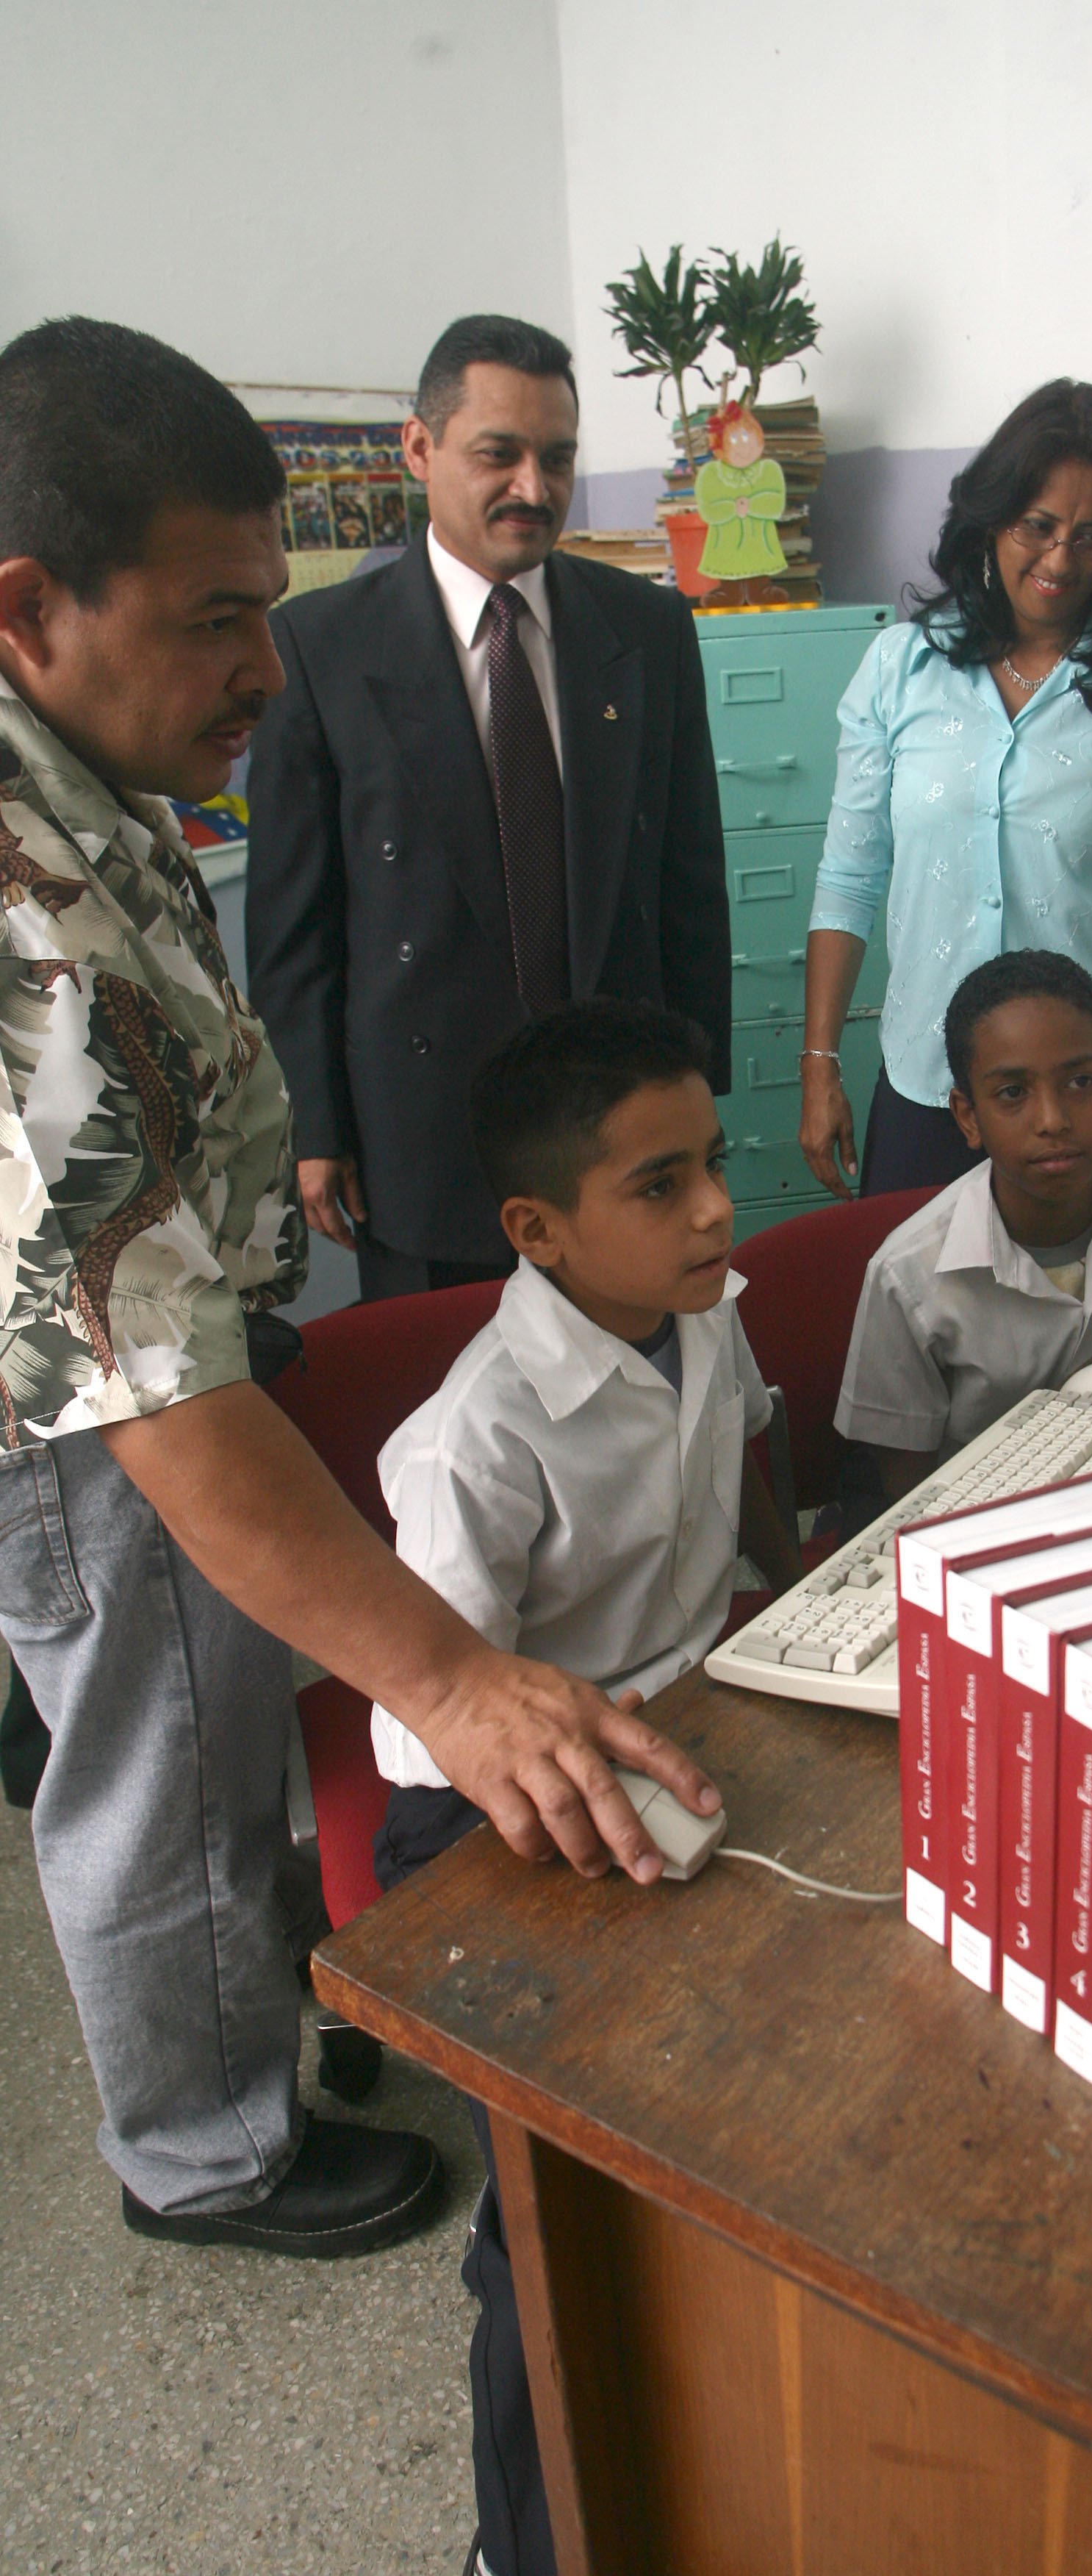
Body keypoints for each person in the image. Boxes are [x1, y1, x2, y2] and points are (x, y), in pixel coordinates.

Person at [0, 315, 720, 2261]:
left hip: (176, 1357)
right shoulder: (19, 903)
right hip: (101, 1426)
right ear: (31, 608)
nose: (263, 665)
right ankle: (206, 2156)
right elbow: (158, 1405)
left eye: (268, 608)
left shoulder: (82, 764)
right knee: (156, 1775)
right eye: (216, 621)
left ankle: (248, 2040)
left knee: (214, 1739)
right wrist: (455, 1682)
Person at [369, 998, 799, 2576]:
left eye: (716, 1163)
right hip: (493, 1815)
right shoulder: (475, 1441)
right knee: (559, 2203)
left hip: (687, 1713)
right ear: (536, 1230)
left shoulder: (704, 1313)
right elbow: (433, 1738)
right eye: (661, 1184)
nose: (717, 1211)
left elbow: (744, 1463)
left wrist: (794, 1596)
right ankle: (522, 2539)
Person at [245, 313, 732, 1301]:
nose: (533, 489)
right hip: (423, 1129)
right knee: (443, 1385)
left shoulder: (646, 628)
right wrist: (315, 1125)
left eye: (557, 458)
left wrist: (701, 1093)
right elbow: (295, 926)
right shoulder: (317, 647)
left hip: (622, 1122)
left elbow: (689, 875)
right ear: (420, 449)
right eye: (498, 455)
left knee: (639, 1376)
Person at [799, 378, 1092, 1199]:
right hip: (931, 1076)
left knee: (1088, 1284)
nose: (1058, 560)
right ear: (991, 519)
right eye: (1037, 527)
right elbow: (849, 879)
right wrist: (818, 1062)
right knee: (910, 1276)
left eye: (1091, 537)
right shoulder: (900, 670)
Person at [836, 951, 1092, 1507]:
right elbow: (908, 1492)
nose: (1052, 1120)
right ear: (968, 1117)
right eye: (1012, 1094)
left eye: (1080, 1082)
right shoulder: (907, 1277)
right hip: (984, 1522)